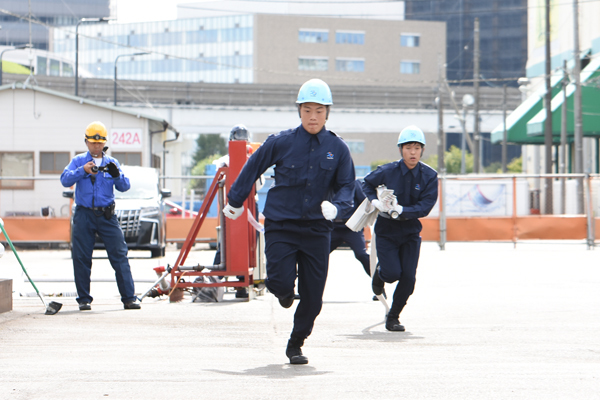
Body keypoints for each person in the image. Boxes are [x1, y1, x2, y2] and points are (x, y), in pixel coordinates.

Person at [222, 78, 356, 364]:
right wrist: (235, 200)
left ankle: (296, 343)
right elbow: (253, 165)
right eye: (307, 110)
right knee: (279, 282)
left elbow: (347, 185)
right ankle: (284, 292)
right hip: (281, 224)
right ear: (299, 111)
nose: (313, 116)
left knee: (314, 296)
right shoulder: (280, 142)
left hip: (318, 229)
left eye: (319, 111)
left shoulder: (338, 148)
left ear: (327, 113)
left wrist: (338, 207)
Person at [362, 125, 438, 332]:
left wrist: (403, 209)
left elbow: (426, 206)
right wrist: (374, 202)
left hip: (411, 230)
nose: (412, 152)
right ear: (400, 150)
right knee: (392, 273)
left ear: (422, 150)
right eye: (408, 148)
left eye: (416, 148)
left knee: (408, 278)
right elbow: (365, 184)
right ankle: (380, 275)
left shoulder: (429, 176)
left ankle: (393, 317)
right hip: (387, 229)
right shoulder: (388, 171)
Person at [60, 121, 141, 311]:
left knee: (119, 255)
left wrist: (116, 175)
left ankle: (129, 298)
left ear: (104, 143)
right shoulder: (79, 161)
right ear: (86, 142)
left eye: (100, 142)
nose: (96, 146)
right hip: (84, 214)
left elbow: (124, 186)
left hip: (107, 215)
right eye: (92, 142)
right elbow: (64, 179)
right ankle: (84, 300)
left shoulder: (112, 163)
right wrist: (83, 171)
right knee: (81, 257)